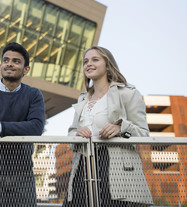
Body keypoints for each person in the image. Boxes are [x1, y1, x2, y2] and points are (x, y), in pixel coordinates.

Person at [63, 46, 153, 206]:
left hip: (116, 170)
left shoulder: (127, 93)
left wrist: (120, 128)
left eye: (95, 59)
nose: (88, 64)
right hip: (82, 168)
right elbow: (71, 136)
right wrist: (77, 135)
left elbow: (144, 135)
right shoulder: (82, 99)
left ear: (108, 64)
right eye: (85, 61)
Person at [0, 42, 46, 206]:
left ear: (26, 69)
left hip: (23, 172)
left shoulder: (34, 94)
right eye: (6, 60)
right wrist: (19, 127)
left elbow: (35, 128)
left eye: (16, 61)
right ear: (1, 65)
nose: (9, 64)